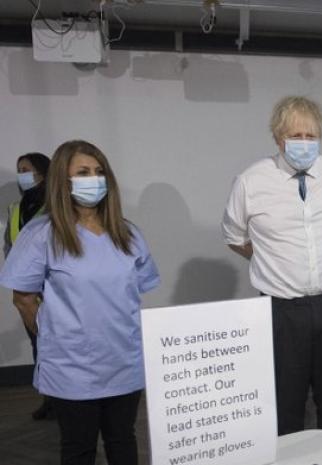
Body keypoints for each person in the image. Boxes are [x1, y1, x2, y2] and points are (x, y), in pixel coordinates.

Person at [0, 140, 160, 465]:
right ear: (63, 180)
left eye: (99, 172)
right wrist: (53, 335)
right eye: (83, 172)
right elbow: (24, 299)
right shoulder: (42, 234)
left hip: (123, 363)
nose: (94, 179)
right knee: (79, 448)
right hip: (72, 367)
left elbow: (135, 291)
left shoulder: (127, 234)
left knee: (122, 440)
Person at [222, 96, 322, 437]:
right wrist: (274, 261)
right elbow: (234, 236)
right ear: (277, 137)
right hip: (282, 310)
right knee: (285, 407)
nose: (304, 143)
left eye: (311, 136)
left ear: (321, 136)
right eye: (295, 135)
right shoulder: (251, 181)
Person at [4, 152, 52, 420]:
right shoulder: (15, 209)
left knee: (59, 348)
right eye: (19, 169)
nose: (22, 174)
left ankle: (69, 400)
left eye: (27, 169)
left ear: (44, 173)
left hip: (54, 291)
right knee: (39, 346)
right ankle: (49, 399)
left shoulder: (58, 207)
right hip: (28, 293)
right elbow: (9, 247)